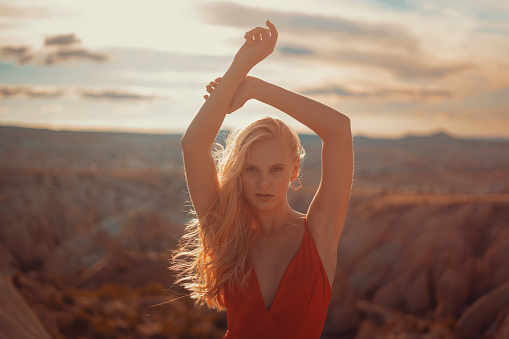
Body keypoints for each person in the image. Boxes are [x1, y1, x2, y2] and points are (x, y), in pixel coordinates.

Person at [171, 20, 353, 338]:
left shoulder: (321, 232)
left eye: (276, 170)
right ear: (238, 173)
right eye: (251, 169)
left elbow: (338, 130)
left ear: (294, 170)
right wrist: (240, 65)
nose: (263, 183)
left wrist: (255, 88)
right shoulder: (227, 235)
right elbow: (193, 146)